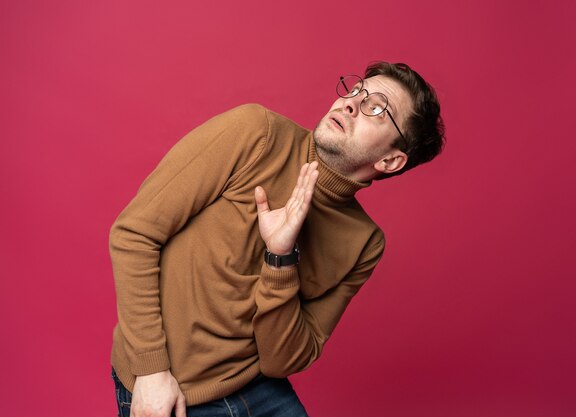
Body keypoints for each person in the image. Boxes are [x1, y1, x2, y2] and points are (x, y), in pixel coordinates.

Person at [109, 61, 445, 417]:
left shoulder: (364, 243)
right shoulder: (256, 133)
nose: (350, 103)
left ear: (391, 161)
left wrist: (281, 258)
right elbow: (134, 233)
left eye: (376, 107)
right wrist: (150, 371)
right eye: (356, 90)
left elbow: (282, 360)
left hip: (256, 388)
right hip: (167, 382)